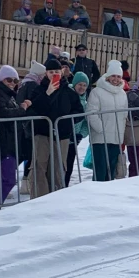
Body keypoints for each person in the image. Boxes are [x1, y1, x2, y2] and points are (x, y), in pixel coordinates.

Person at [27, 59, 84, 198]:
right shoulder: (38, 89)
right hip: (42, 133)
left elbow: (79, 111)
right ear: (46, 73)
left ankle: (55, 198)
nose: (54, 74)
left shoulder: (69, 92)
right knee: (40, 167)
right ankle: (38, 199)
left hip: (62, 135)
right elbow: (33, 109)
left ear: (62, 72)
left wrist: (66, 121)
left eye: (56, 72)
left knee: (58, 168)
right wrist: (47, 94)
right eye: (51, 72)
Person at [0, 65, 30, 216]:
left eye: (15, 80)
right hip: (3, 142)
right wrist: (22, 109)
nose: (12, 83)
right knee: (8, 179)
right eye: (9, 80)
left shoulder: (7, 93)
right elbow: (3, 113)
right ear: (1, 79)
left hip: (6, 141)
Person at [87, 60, 128, 181]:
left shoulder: (122, 94)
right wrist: (101, 129)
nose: (116, 79)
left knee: (111, 171)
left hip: (116, 138)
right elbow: (91, 113)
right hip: (100, 138)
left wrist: (121, 132)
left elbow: (124, 115)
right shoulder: (97, 92)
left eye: (118, 76)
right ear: (108, 76)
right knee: (100, 170)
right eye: (113, 76)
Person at [16, 60, 46, 193]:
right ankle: (26, 182)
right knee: (29, 153)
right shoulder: (33, 85)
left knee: (22, 154)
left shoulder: (23, 83)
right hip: (29, 125)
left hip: (22, 124)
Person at [64, 72, 89, 187]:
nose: (82, 87)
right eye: (80, 84)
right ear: (74, 84)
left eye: (84, 85)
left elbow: (86, 123)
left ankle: (64, 186)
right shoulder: (67, 95)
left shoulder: (85, 103)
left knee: (69, 165)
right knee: (59, 164)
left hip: (74, 139)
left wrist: (81, 134)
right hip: (62, 137)